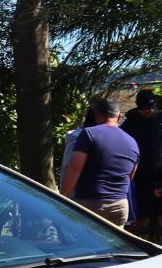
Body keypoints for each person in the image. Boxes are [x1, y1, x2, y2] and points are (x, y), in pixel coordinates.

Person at [59, 96, 139, 227]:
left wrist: (63, 197)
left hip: (89, 204)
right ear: (119, 116)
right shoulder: (132, 142)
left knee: (84, 245)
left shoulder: (89, 134)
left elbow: (75, 168)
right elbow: (130, 175)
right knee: (114, 246)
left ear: (97, 115)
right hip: (119, 205)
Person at [119, 89, 162, 234]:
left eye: (150, 108)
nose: (147, 111)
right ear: (138, 107)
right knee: (142, 218)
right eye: (143, 109)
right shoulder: (130, 123)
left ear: (155, 105)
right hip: (141, 179)